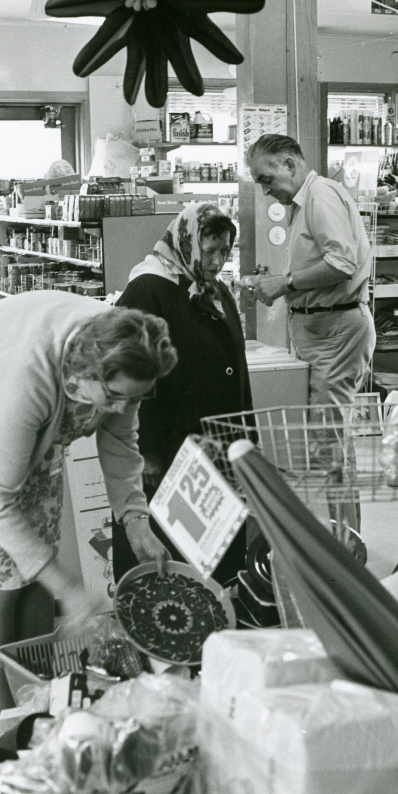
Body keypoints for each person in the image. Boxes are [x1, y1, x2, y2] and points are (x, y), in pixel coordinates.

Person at [0, 291, 176, 719]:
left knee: (36, 570)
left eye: (134, 398)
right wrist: (70, 591)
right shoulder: (25, 376)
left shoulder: (124, 350)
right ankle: (7, 722)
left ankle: (39, 700)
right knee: (0, 583)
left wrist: (136, 520)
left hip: (29, 414)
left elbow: (119, 440)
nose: (122, 409)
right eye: (114, 397)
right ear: (80, 378)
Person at [113, 202, 253, 586]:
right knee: (169, 566)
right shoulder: (148, 289)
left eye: (225, 251)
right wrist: (149, 455)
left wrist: (246, 437)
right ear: (187, 242)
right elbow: (133, 383)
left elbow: (234, 368)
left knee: (216, 561)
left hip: (217, 450)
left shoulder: (215, 291)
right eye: (210, 251)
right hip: (169, 456)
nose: (218, 261)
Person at [247, 134, 376, 408]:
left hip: (334, 331)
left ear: (290, 166)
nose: (266, 192)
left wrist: (285, 283)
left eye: (267, 180)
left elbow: (342, 262)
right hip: (323, 330)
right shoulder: (303, 202)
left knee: (326, 429)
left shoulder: (321, 195)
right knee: (324, 429)